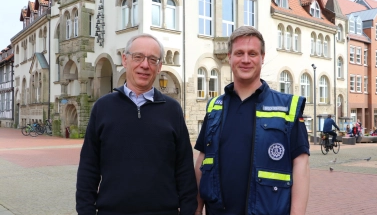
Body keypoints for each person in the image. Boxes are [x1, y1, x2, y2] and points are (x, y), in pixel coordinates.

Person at [76, 33, 198, 215]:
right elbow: (89, 168)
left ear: (159, 67)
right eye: (138, 57)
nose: (145, 65)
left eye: (152, 59)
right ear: (125, 60)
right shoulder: (103, 108)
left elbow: (184, 169)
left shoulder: (172, 110)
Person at [194, 26, 310, 215]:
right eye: (239, 53)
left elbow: (301, 165)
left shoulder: (287, 107)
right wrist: (196, 208)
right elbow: (202, 160)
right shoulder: (215, 107)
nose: (246, 60)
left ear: (262, 57)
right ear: (230, 56)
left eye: (252, 53)